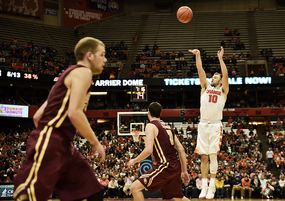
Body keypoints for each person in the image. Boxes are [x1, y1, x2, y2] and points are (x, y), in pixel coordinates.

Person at [13, 37, 107, 201]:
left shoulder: (67, 78)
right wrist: (95, 142)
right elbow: (74, 113)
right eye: (103, 54)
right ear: (90, 55)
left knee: (91, 190)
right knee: (28, 196)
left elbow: (37, 116)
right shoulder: (83, 71)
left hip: (63, 145)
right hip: (53, 140)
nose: (105, 59)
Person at [127, 102, 190, 201]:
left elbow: (148, 150)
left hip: (165, 165)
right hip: (175, 166)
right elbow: (181, 149)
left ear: (148, 113)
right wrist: (184, 171)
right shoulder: (168, 126)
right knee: (178, 197)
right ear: (160, 113)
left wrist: (134, 160)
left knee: (134, 188)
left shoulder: (150, 126)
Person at [189, 46, 229, 199]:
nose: (213, 78)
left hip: (215, 125)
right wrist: (197, 56)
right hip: (203, 124)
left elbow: (225, 74)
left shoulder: (223, 90)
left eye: (215, 77)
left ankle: (212, 187)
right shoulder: (205, 86)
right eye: (212, 77)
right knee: (203, 157)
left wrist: (220, 59)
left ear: (220, 82)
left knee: (213, 155)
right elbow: (200, 70)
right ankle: (204, 187)